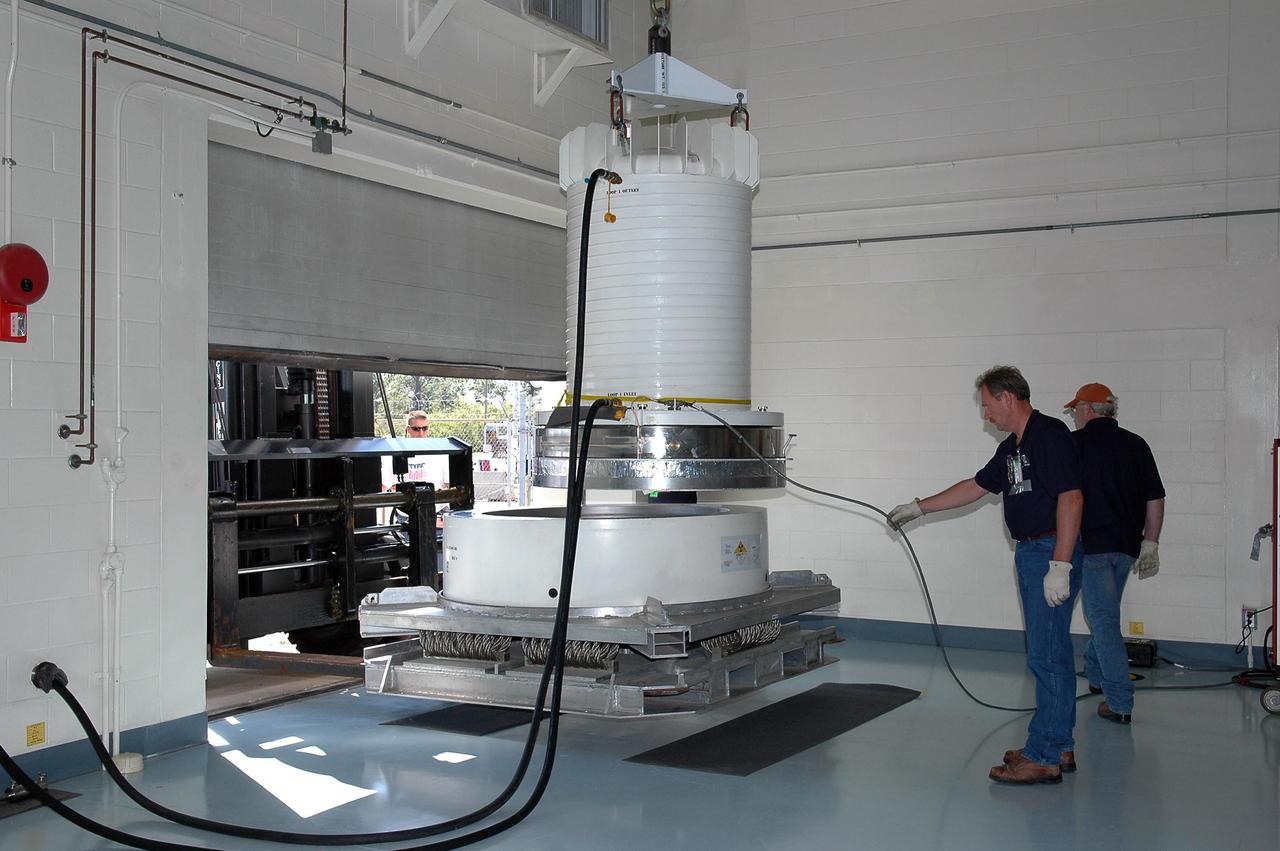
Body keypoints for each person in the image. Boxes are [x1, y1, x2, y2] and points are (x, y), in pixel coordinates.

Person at [888, 365, 1084, 785]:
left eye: (987, 405)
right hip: (1033, 551)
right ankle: (1058, 742)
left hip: (1050, 550)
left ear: (1007, 398)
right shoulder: (1014, 447)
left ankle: (1044, 755)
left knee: (1045, 656)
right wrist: (919, 507)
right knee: (1054, 653)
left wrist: (1061, 564)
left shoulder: (1048, 436)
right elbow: (976, 487)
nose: (986, 415)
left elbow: (1071, 497)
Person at [1064, 382, 1165, 726]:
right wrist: (1151, 542)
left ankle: (1120, 701)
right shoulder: (1136, 445)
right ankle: (1096, 675)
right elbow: (1155, 498)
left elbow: (1065, 499)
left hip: (1092, 547)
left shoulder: (1075, 446)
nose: (1074, 416)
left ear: (1088, 409)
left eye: (1075, 409)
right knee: (1104, 615)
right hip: (1126, 548)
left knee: (1104, 620)